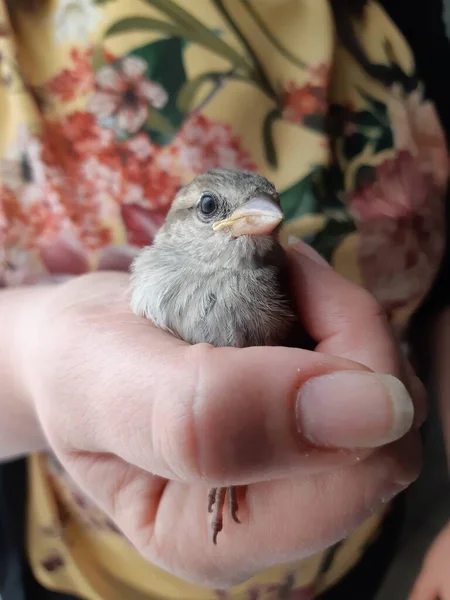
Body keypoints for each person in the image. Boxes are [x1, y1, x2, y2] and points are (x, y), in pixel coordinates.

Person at [0, 0, 448, 599]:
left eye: (262, 207)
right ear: (180, 219)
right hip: (87, 569)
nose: (256, 219)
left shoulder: (399, 22)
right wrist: (36, 366)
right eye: (214, 209)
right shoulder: (152, 274)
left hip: (350, 546)